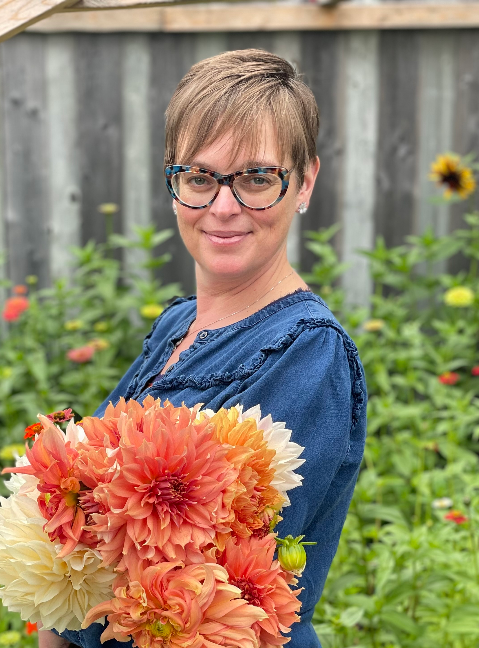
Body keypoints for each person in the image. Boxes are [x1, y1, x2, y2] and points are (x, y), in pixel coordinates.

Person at [42, 48, 367, 648]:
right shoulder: (177, 325)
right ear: (173, 184)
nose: (223, 206)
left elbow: (206, 595)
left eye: (257, 178)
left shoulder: (307, 354)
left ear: (305, 182)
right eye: (200, 177)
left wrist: (61, 593)